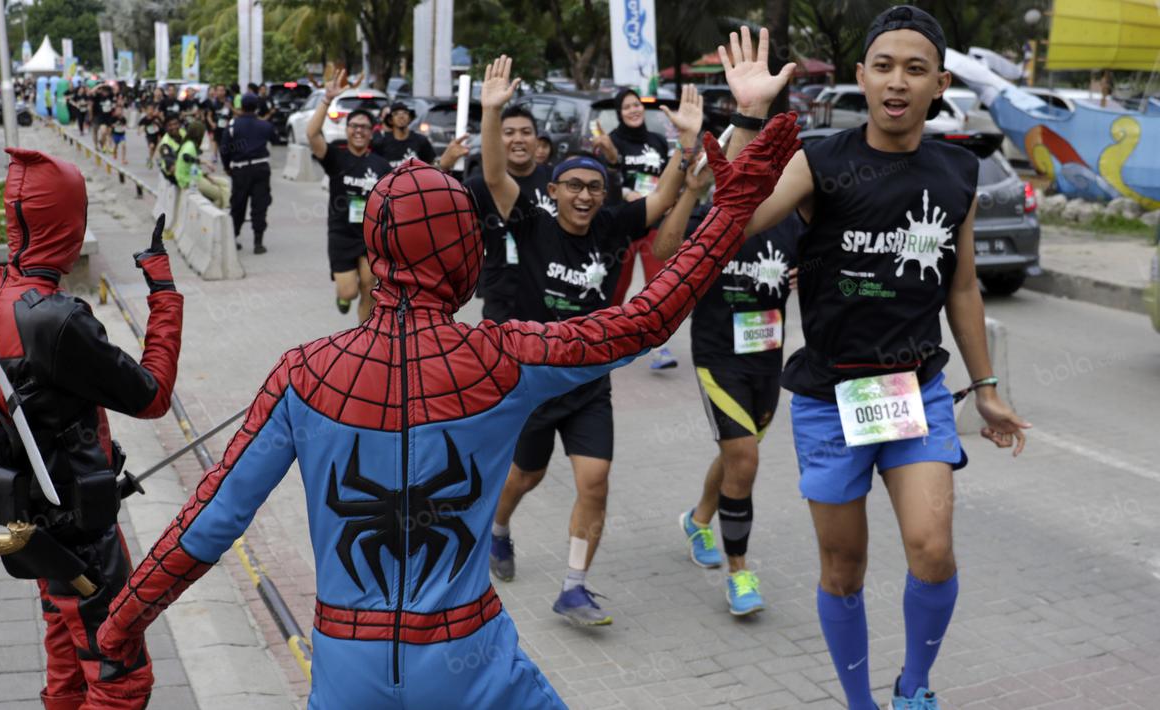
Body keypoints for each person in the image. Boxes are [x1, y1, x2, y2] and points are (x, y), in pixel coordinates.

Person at [96, 100, 801, 710]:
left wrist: (120, 625)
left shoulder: (301, 372)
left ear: (375, 250)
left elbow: (212, 520)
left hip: (346, 663)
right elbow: (646, 318)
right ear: (463, 251)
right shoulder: (505, 356)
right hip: (471, 659)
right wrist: (730, 212)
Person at [717, 13, 1030, 708]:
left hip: (913, 394)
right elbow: (736, 218)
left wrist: (984, 387)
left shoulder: (957, 170)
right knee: (843, 568)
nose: (896, 81)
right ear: (860, 77)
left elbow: (961, 285)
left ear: (940, 84)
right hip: (829, 398)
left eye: (914, 69)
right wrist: (744, 115)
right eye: (882, 65)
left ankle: (912, 686)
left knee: (932, 549)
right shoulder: (820, 159)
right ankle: (858, 702)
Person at [482, 59, 705, 626]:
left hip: (588, 382)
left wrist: (686, 145)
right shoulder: (531, 223)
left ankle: (575, 587)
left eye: (594, 188)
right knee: (523, 478)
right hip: (533, 382)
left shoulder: (609, 226)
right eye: (574, 186)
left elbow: (660, 202)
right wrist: (491, 113)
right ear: (553, 189)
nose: (584, 196)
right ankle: (500, 529)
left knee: (595, 480)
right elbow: (493, 177)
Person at [0, 148, 183, 709]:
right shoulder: (58, 318)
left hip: (35, 525)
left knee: (66, 656)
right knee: (118, 677)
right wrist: (163, 295)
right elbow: (152, 395)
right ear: (68, 220)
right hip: (84, 538)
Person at [654, 163, 802, 616]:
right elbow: (663, 251)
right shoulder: (713, 219)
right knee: (744, 458)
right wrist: (690, 194)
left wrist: (809, 276)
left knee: (736, 456)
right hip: (718, 358)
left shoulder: (790, 222)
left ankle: (698, 521)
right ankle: (740, 574)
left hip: (766, 358)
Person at [604, 87, 679, 370]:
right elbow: (607, 181)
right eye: (626, 108)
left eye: (636, 105)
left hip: (654, 224)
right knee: (617, 286)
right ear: (619, 114)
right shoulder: (612, 142)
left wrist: (671, 201)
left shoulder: (658, 141)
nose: (633, 110)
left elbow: (669, 177)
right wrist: (626, 195)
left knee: (659, 286)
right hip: (623, 223)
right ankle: (606, 338)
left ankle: (660, 347)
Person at [307, 69, 391, 320]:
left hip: (370, 235)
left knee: (370, 286)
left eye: (364, 127)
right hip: (341, 234)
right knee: (350, 290)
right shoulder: (336, 156)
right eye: (354, 126)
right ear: (346, 129)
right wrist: (326, 99)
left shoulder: (381, 165)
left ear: (371, 132)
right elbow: (312, 135)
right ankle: (343, 295)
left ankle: (366, 337)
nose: (358, 131)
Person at [465, 104, 553, 323]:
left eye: (526, 132)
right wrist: (442, 166)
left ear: (536, 139)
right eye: (509, 133)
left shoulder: (556, 181)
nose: (518, 139)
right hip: (500, 295)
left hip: (550, 290)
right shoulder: (478, 186)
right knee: (501, 355)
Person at [222, 92, 276, 254]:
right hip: (261, 169)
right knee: (260, 205)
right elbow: (274, 138)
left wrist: (227, 167)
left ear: (241, 107)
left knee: (238, 204)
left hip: (240, 169)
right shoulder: (264, 125)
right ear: (256, 107)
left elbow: (224, 150)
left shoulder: (232, 126)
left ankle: (234, 237)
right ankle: (258, 242)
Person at [176, 120, 231, 209]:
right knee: (219, 194)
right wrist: (204, 162)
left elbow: (192, 166)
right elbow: (185, 157)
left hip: (195, 176)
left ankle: (226, 207)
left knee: (224, 183)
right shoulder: (190, 145)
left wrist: (205, 175)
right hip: (189, 180)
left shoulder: (190, 144)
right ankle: (219, 212)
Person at [373, 101, 436, 167]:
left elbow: (431, 165)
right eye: (396, 114)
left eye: (405, 113)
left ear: (410, 118)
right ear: (390, 120)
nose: (401, 116)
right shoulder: (382, 143)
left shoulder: (421, 141)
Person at [154, 114, 184, 186]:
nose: (173, 127)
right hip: (173, 177)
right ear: (166, 128)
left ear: (179, 124)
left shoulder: (183, 133)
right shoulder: (165, 144)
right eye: (170, 125)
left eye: (175, 124)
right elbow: (171, 168)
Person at [207, 84, 234, 161]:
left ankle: (230, 154)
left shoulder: (229, 101)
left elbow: (234, 113)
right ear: (216, 91)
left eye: (222, 90)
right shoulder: (213, 103)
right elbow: (209, 116)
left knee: (229, 140)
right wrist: (212, 123)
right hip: (217, 125)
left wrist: (230, 108)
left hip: (228, 125)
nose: (220, 92)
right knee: (216, 140)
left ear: (225, 91)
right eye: (219, 90)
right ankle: (215, 155)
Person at [111, 96, 129, 165]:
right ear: (115, 111)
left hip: (122, 134)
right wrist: (115, 124)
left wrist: (124, 127)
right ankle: (115, 152)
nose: (119, 112)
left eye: (120, 110)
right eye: (118, 110)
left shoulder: (123, 118)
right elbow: (111, 125)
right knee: (116, 146)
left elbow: (125, 125)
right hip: (115, 134)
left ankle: (123, 159)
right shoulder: (113, 118)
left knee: (124, 145)